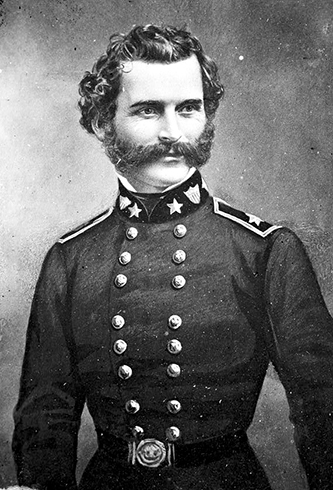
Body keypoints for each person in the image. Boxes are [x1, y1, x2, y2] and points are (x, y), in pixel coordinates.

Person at [12, 24, 333, 490]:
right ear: (104, 122)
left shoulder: (265, 251)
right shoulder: (71, 259)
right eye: (147, 111)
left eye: (188, 109)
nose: (171, 132)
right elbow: (45, 418)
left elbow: (322, 404)